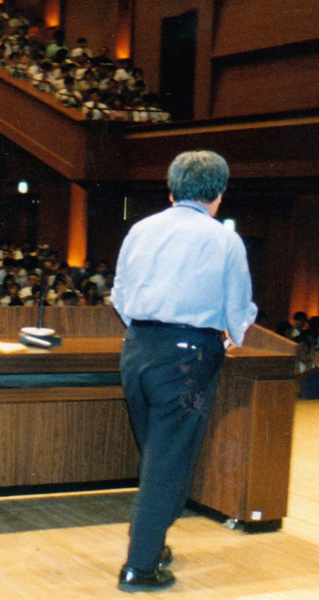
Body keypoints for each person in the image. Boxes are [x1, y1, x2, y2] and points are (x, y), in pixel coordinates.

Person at [110, 150, 257, 592]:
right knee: (168, 461)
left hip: (137, 353)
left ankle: (152, 544)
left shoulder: (140, 229)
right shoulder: (224, 239)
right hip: (190, 361)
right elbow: (238, 308)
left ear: (171, 190)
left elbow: (119, 293)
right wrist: (234, 334)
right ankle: (140, 566)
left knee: (158, 452)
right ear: (219, 194)